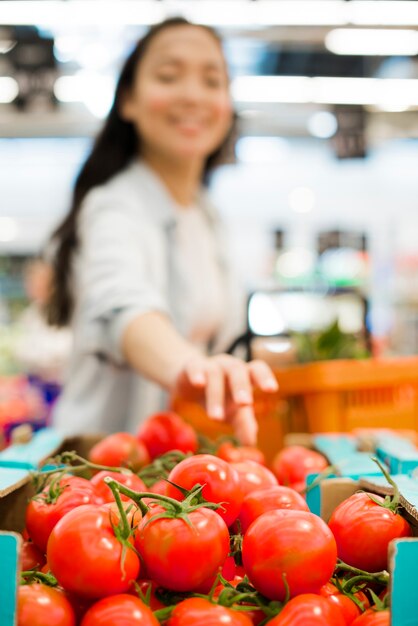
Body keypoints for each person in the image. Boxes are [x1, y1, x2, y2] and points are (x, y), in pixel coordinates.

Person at [46, 17, 278, 444]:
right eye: (169, 76)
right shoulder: (113, 205)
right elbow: (124, 306)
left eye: (212, 80)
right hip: (100, 470)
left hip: (175, 472)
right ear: (128, 101)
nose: (192, 95)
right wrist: (188, 367)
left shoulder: (208, 216)